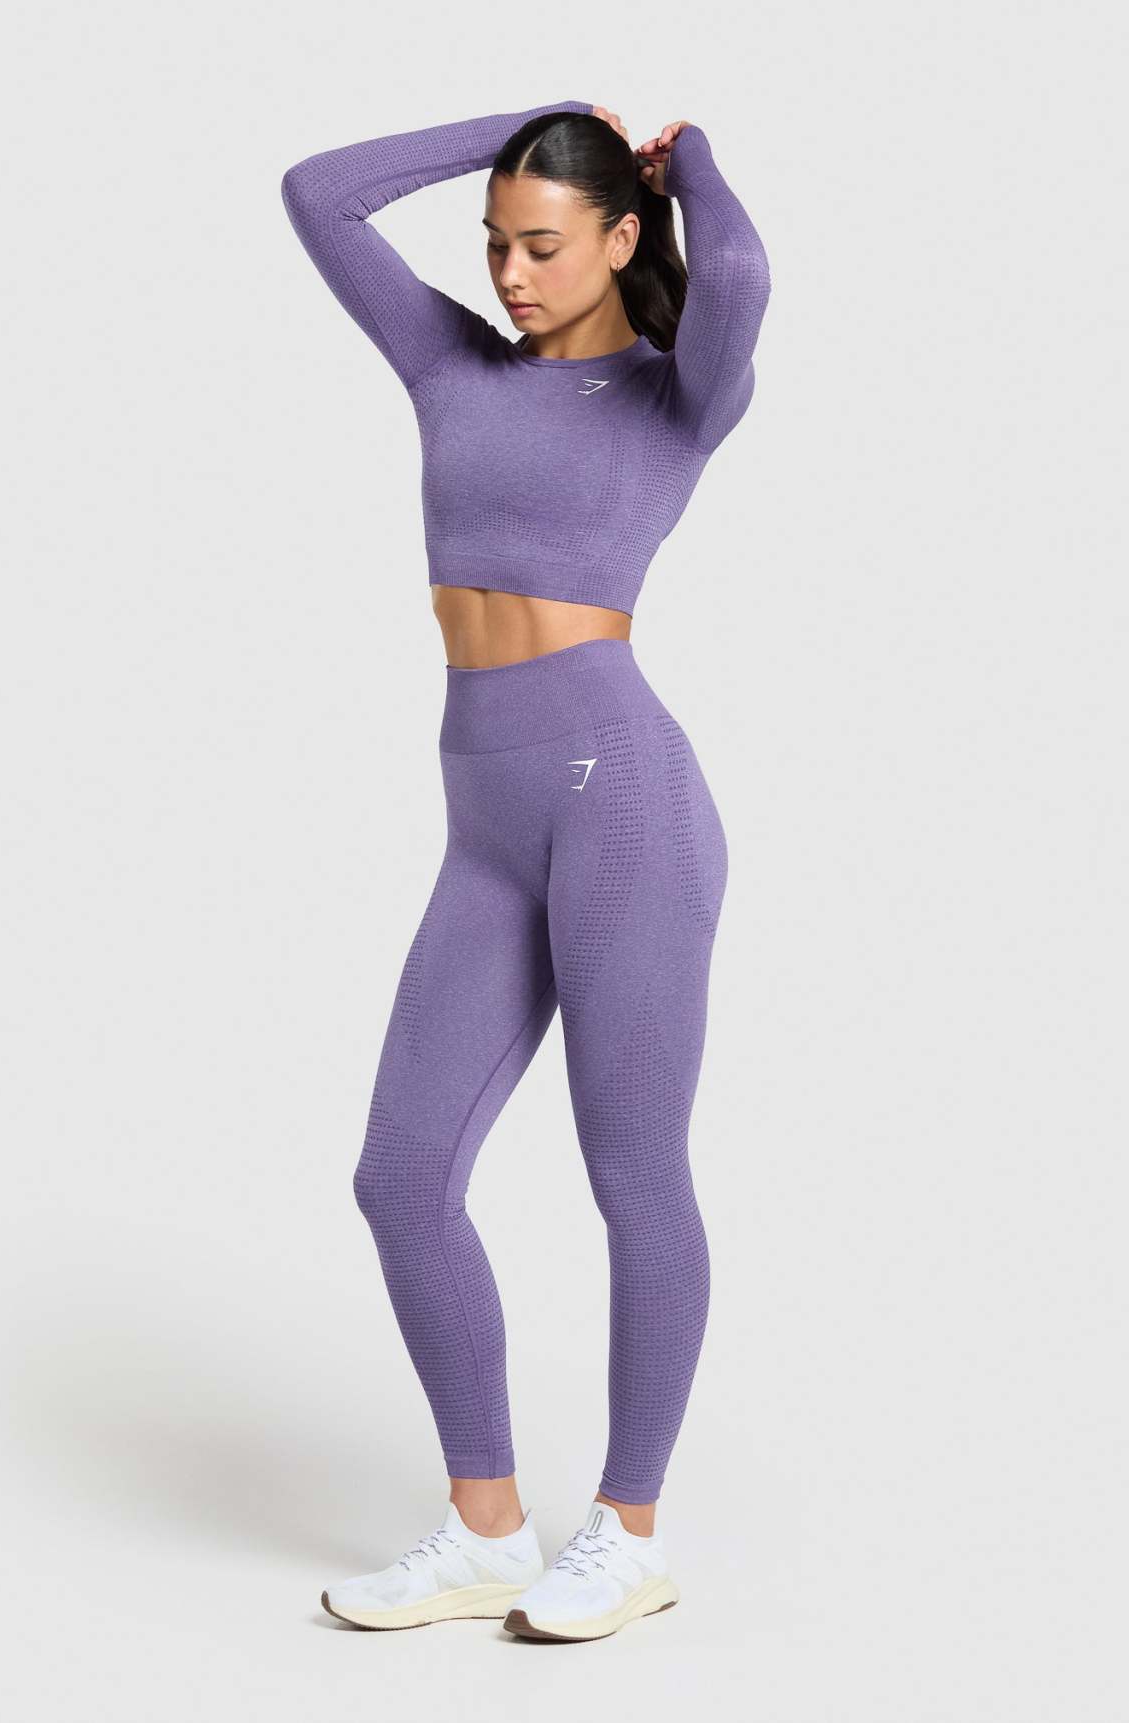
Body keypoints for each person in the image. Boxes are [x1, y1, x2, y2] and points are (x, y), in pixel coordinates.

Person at [280, 98, 770, 1641]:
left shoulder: (674, 397)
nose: (507, 272)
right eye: (493, 242)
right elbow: (316, 192)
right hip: (485, 817)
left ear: (622, 240)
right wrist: (529, 124)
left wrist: (682, 160)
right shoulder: (450, 366)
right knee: (398, 1174)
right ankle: (485, 1529)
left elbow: (736, 276)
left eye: (543, 244)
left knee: (631, 1170)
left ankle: (629, 1531)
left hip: (621, 799)